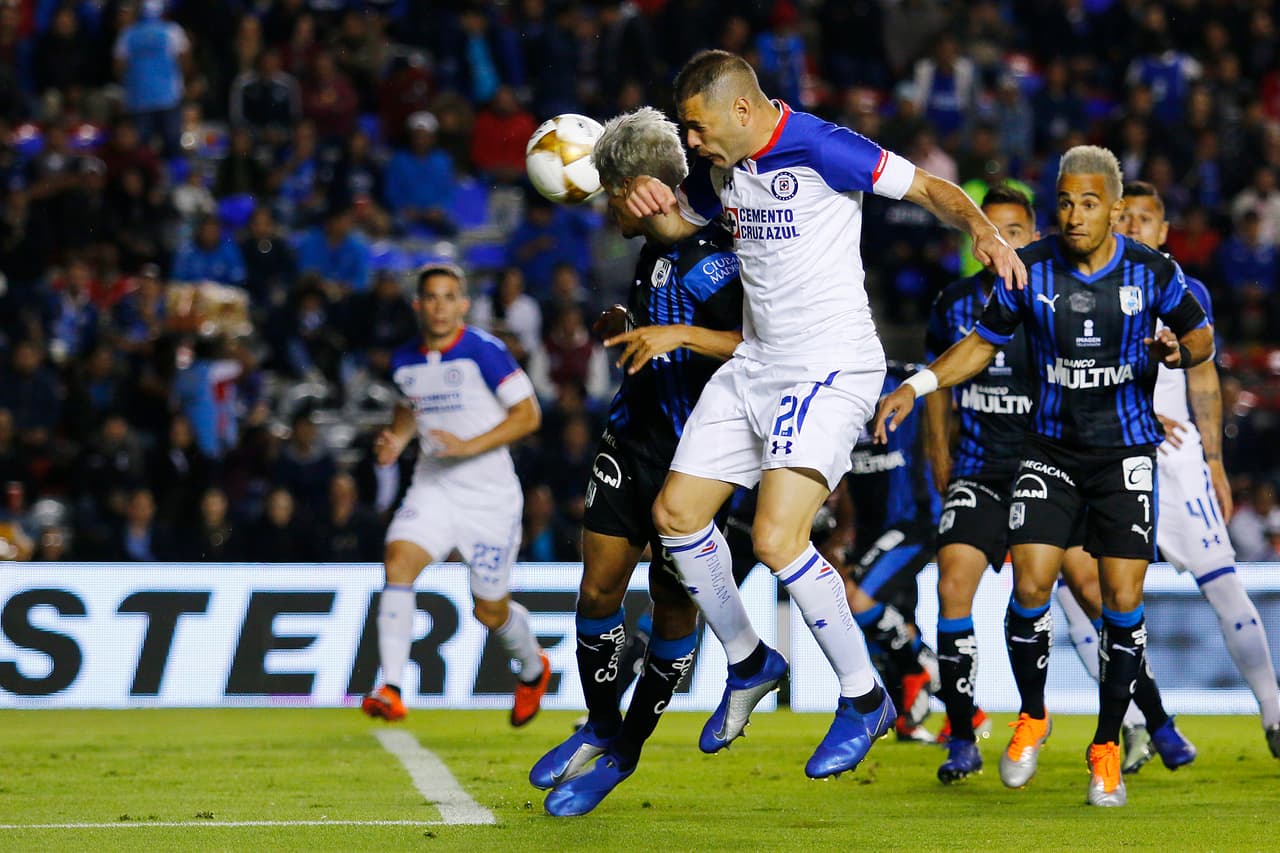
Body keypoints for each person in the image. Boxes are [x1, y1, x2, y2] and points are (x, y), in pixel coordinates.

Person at [625, 49, 1026, 779]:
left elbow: (930, 186)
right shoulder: (722, 170)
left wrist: (984, 231)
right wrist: (655, 211)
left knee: (779, 539)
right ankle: (749, 661)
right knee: (676, 515)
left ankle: (864, 695)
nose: (691, 140)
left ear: (741, 110)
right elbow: (697, 235)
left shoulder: (822, 145)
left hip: (830, 363)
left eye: (695, 124)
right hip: (757, 362)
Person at [875, 145, 1216, 807]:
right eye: (1064, 200)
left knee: (1120, 600)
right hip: (1050, 452)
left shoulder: (1153, 272)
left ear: (1116, 211)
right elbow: (979, 345)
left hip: (1123, 456)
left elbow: (1201, 339)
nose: (1073, 213)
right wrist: (918, 385)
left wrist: (1178, 347)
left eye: (1088, 203)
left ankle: (1108, 744)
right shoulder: (1029, 269)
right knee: (1031, 582)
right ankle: (1032, 713)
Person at [530, 107, 746, 817]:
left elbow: (755, 346)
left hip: (699, 458)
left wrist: (677, 334)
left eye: (607, 189)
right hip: (632, 438)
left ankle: (624, 750)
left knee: (673, 608)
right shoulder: (651, 252)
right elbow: (662, 324)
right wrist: (629, 330)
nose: (600, 203)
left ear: (635, 188)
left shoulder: (715, 258)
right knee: (597, 591)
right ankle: (597, 722)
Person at [1062, 181, 1280, 765]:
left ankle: (1273, 710)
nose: (1131, 226)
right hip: (1104, 453)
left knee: (1222, 582)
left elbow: (1202, 371)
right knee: (1077, 592)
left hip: (1176, 459)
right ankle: (1134, 720)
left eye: (1144, 219)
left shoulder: (1185, 289)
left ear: (1164, 233)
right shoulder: (1083, 285)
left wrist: (1214, 461)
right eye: (1123, 216)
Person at [361, 263, 551, 727]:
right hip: (434, 485)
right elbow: (410, 407)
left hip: (489, 497)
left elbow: (528, 416)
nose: (439, 306)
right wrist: (398, 439)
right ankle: (391, 687)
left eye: (449, 297)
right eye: (431, 297)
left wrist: (469, 445)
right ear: (418, 305)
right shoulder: (405, 359)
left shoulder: (484, 352)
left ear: (463, 305)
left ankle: (532, 668)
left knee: (489, 610)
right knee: (398, 561)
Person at [922, 185, 1040, 782]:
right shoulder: (953, 302)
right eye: (991, 230)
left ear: (1034, 237)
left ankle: (1047, 719)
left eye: (1014, 231)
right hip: (976, 468)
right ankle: (963, 736)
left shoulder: (1049, 296)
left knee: (1063, 597)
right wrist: (938, 452)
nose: (1002, 241)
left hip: (1043, 472)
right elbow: (937, 382)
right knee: (952, 587)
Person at [830, 363, 942, 743]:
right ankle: (948, 715)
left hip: (912, 521)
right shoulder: (832, 384)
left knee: (856, 600)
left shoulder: (903, 378)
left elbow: (940, 386)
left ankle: (920, 664)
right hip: (869, 529)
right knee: (893, 625)